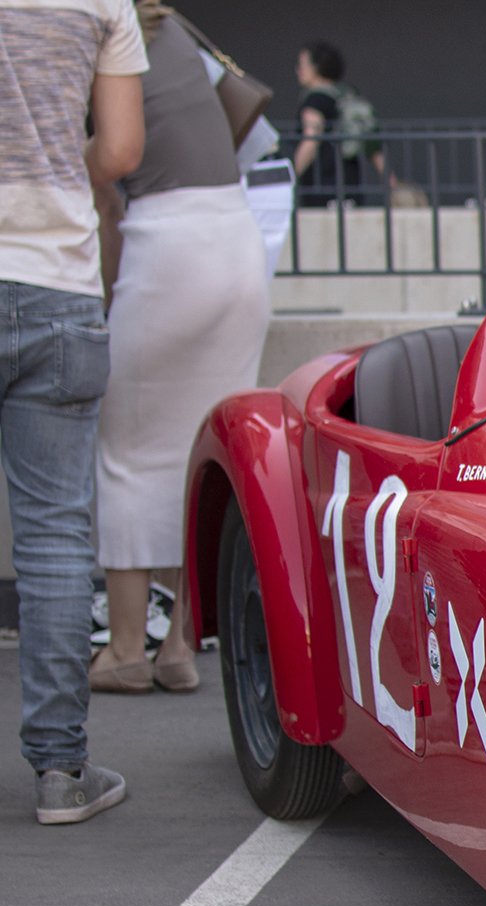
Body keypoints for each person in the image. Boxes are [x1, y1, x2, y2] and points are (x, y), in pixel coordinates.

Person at [89, 2, 269, 695]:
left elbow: (109, 176)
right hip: (236, 240)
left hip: (167, 245)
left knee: (127, 452)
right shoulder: (169, 28)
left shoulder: (97, 31)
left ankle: (127, 650)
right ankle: (180, 646)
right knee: (204, 453)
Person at [1, 0, 145, 823]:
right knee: (56, 539)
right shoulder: (99, 3)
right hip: (55, 284)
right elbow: (121, 149)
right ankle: (60, 774)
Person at [291, 40, 381, 207]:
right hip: (350, 184)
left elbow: (311, 139)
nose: (298, 70)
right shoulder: (347, 95)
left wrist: (289, 176)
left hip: (323, 185)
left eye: (302, 64)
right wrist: (391, 181)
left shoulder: (315, 99)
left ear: (316, 67)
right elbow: (373, 144)